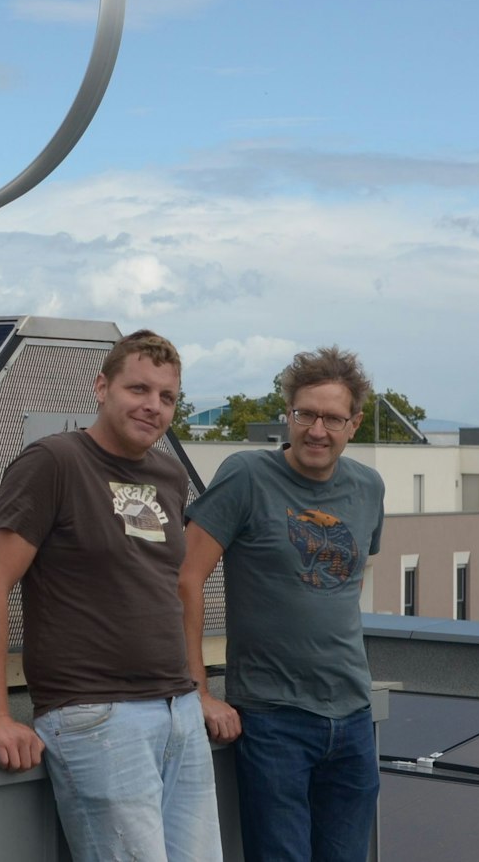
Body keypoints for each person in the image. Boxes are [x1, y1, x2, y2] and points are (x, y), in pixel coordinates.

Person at [0, 329, 221, 862]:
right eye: (138, 389)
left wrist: (196, 692)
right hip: (97, 716)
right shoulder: (52, 462)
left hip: (178, 712)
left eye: (167, 397)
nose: (153, 406)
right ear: (101, 387)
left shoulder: (169, 476)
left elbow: (170, 587)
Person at [180, 346, 387, 862]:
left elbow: (350, 582)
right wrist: (198, 691)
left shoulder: (368, 487)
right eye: (306, 414)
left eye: (333, 418)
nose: (318, 430)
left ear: (354, 424)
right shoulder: (246, 476)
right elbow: (182, 579)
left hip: (353, 715)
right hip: (274, 719)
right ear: (287, 415)